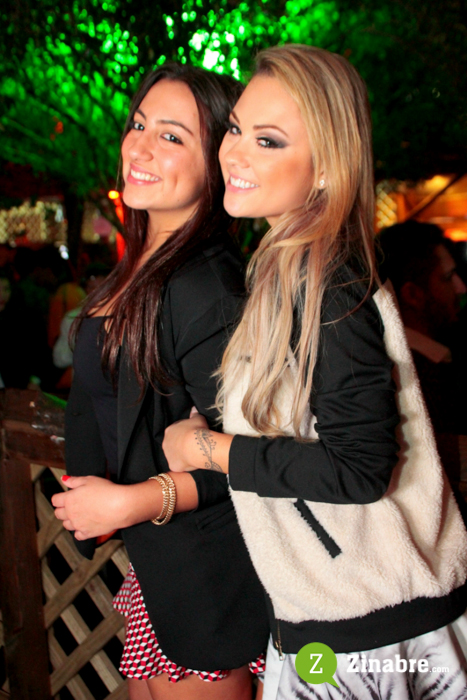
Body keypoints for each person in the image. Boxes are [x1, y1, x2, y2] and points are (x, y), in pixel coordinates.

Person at [162, 46, 467, 699]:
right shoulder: (287, 267)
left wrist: (208, 450)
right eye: (236, 129)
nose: (235, 152)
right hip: (342, 617)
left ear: (327, 164)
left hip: (370, 629)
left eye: (268, 140)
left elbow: (358, 468)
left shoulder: (327, 280)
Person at [52, 63, 268, 700]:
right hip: (161, 569)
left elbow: (260, 459)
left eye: (172, 136)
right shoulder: (143, 264)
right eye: (140, 125)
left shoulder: (205, 287)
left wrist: (131, 502)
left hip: (212, 580)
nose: (139, 147)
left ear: (217, 164)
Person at [379, 221, 467, 492]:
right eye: (447, 278)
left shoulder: (436, 359)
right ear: (413, 294)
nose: (461, 288)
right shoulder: (412, 373)